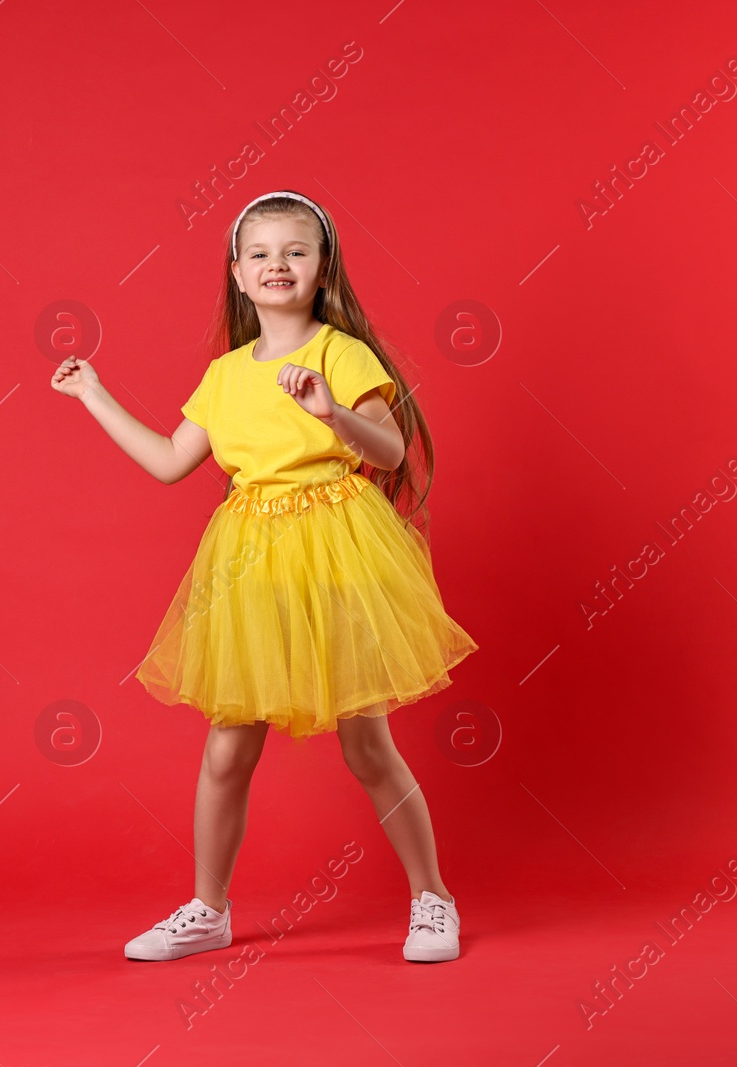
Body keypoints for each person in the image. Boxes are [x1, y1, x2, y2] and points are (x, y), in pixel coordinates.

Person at [50, 189, 478, 963]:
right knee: (225, 749)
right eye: (261, 254)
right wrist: (93, 394)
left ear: (322, 269)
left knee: (367, 746)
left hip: (340, 553)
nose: (277, 264)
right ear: (238, 275)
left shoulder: (342, 355)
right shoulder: (223, 376)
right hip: (249, 564)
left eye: (295, 251)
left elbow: (386, 453)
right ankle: (207, 908)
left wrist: (330, 414)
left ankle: (432, 898)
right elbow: (169, 462)